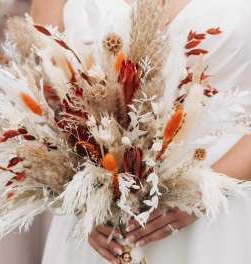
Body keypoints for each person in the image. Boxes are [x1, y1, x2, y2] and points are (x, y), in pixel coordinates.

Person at [31, 0, 251, 263]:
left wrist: (205, 191)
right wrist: (83, 197)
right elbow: (40, 97)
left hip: (222, 211)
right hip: (101, 219)